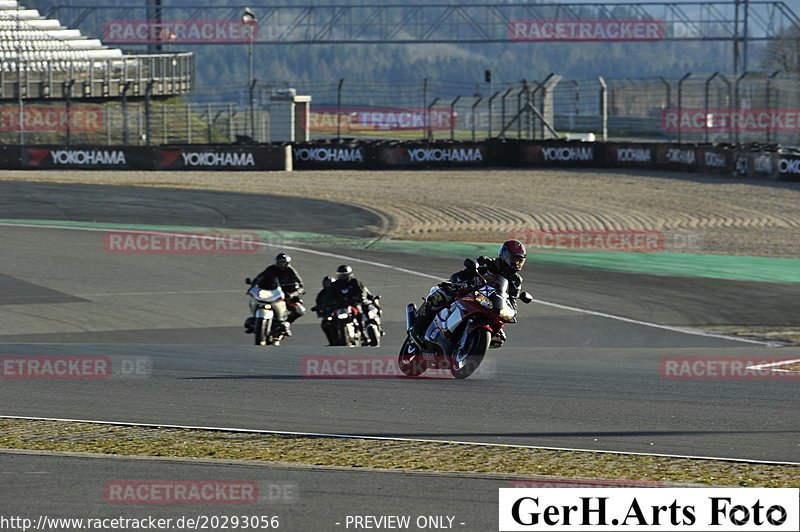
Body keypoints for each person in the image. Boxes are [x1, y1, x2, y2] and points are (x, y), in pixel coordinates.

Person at [409, 239, 527, 346]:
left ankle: (468, 343)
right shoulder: (485, 262)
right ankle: (418, 328)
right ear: (504, 255)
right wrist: (462, 282)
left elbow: (512, 300)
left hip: (489, 304)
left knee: (498, 339)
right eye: (514, 259)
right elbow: (461, 274)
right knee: (441, 296)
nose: (516, 264)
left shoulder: (515, 280)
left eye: (519, 261)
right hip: (466, 291)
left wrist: (512, 313)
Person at [248, 252, 305, 336]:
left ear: (287, 263)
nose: (282, 265)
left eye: (284, 263)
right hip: (272, 293)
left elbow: (301, 286)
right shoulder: (270, 269)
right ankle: (254, 319)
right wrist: (252, 287)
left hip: (286, 295)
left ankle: (286, 324)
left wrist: (292, 294)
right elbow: (259, 278)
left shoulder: (291, 272)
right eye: (280, 262)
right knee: (254, 300)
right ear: (276, 262)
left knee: (300, 310)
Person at [311, 275, 337, 345]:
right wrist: (318, 309)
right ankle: (331, 341)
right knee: (325, 324)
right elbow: (318, 303)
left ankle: (362, 333)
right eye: (326, 283)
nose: (328, 285)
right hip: (329, 313)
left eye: (329, 283)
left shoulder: (338, 291)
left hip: (339, 311)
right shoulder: (321, 294)